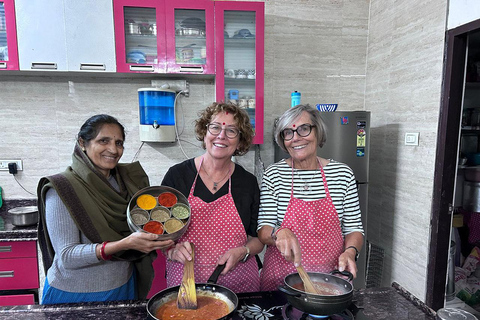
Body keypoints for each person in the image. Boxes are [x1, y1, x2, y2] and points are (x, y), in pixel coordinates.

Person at [37, 114, 174, 304]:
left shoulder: (128, 181)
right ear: (82, 143)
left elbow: (146, 223)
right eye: (103, 141)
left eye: (119, 143)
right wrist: (124, 244)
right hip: (75, 294)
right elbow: (67, 256)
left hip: (124, 286)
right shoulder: (63, 189)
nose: (113, 149)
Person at [257, 104, 364, 291]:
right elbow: (263, 229)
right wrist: (279, 232)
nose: (296, 138)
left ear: (318, 132)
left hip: (329, 279)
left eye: (304, 129)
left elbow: (354, 228)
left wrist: (350, 251)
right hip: (281, 280)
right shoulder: (274, 174)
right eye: (288, 133)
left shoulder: (342, 174)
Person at [161, 102, 263, 293]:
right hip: (186, 282)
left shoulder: (247, 182)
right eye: (215, 127)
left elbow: (258, 239)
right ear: (205, 132)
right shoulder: (177, 176)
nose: (221, 136)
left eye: (231, 130)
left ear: (240, 141)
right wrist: (171, 250)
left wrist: (243, 251)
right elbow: (159, 231)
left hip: (240, 283)